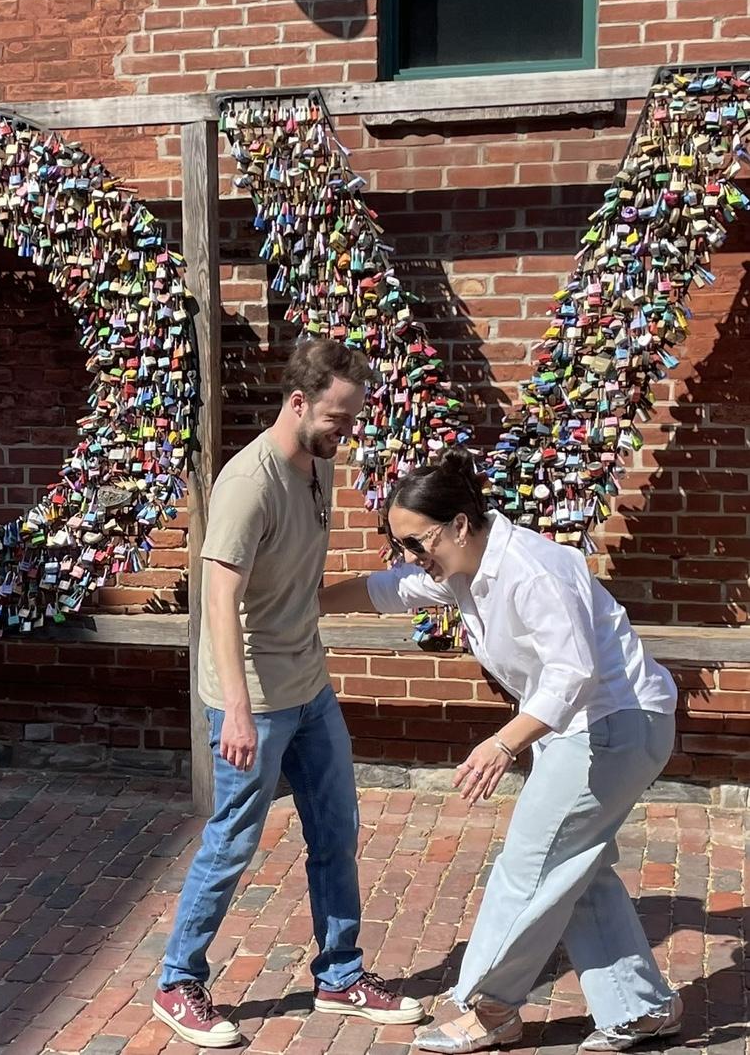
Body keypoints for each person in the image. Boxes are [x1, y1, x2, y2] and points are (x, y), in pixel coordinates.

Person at [319, 447, 681, 1054]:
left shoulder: (532, 569)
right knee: (575, 869)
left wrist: (502, 744)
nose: (410, 556)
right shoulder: (463, 567)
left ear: (460, 524)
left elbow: (573, 673)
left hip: (612, 727)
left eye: (417, 542)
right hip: (594, 729)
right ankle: (640, 1009)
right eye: (400, 544)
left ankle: (489, 1007)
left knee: (530, 865)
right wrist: (306, 602)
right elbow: (389, 588)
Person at [152, 339, 425, 1047]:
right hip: (252, 695)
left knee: (335, 831)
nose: (347, 432)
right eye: (337, 418)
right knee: (233, 839)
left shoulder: (318, 465)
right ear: (298, 403)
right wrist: (237, 710)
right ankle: (177, 982)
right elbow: (219, 597)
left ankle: (340, 975)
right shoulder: (249, 482)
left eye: (353, 418)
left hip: (309, 685)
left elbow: (301, 586)